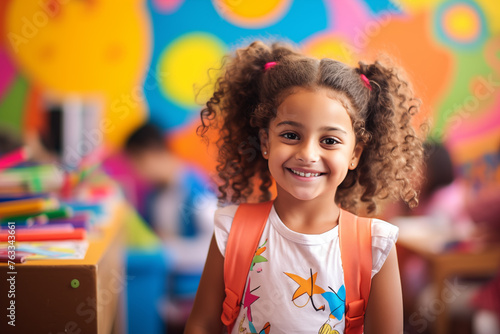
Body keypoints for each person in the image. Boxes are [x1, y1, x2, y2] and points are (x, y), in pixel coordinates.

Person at [185, 41, 425, 334]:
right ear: (265, 143)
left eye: (330, 141)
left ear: (355, 154)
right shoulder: (231, 229)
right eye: (290, 134)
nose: (308, 154)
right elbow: (201, 325)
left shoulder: (375, 245)